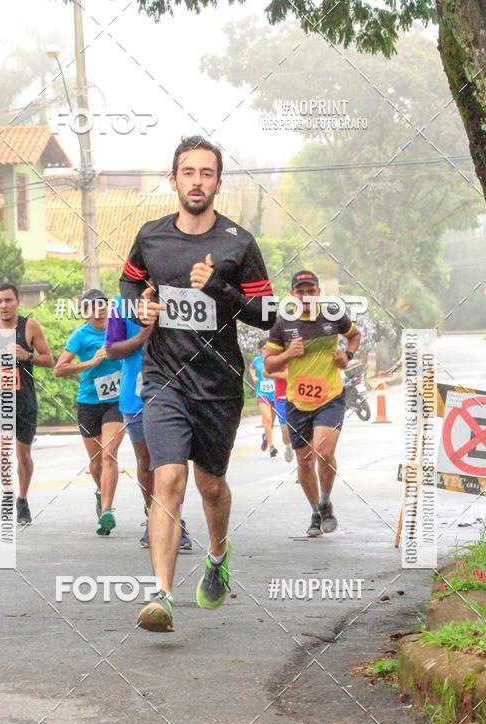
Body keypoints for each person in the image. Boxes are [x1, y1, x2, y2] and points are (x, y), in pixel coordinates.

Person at [120, 134, 275, 632]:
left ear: (218, 183)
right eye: (188, 172)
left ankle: (217, 554)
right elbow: (128, 280)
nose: (197, 181)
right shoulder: (151, 237)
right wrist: (138, 303)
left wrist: (219, 288)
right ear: (173, 180)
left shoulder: (238, 243)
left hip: (219, 386)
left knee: (210, 485)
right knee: (167, 478)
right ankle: (161, 595)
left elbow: (268, 314)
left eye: (206, 173)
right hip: (165, 378)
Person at [264, 271, 361, 536]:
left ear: (318, 292)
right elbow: (268, 364)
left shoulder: (332, 315)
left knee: (323, 452)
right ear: (293, 294)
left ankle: (326, 499)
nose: (306, 296)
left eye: (311, 291)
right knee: (304, 462)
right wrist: (288, 353)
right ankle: (317, 511)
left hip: (330, 396)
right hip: (297, 401)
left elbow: (355, 335)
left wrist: (347, 355)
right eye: (300, 291)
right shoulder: (284, 322)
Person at [104, 299, 193, 550]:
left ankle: (174, 518)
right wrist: (142, 336)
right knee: (146, 460)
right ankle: (152, 515)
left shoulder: (178, 299)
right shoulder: (120, 306)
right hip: (135, 396)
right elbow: (111, 350)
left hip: (177, 392)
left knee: (174, 460)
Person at [0, 283, 53, 525]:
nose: (4, 305)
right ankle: (8, 491)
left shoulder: (29, 326)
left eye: (8, 300)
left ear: (17, 301)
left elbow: (49, 359)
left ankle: (22, 498)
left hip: (24, 400)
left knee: (23, 454)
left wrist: (27, 355)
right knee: (1, 450)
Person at [54, 288, 125, 535]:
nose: (100, 310)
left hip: (117, 401)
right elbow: (59, 369)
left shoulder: (118, 328)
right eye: (94, 306)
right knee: (96, 464)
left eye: (103, 304)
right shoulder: (80, 336)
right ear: (85, 312)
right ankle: (100, 491)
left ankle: (107, 510)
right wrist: (91, 363)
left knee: (109, 455)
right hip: (89, 402)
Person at [249, 339, 278, 457]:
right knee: (268, 418)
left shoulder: (275, 360)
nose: (266, 350)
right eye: (264, 348)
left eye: (268, 348)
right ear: (261, 349)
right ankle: (272, 447)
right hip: (262, 393)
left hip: (274, 393)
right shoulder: (257, 361)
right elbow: (251, 368)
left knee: (271, 422)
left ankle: (266, 436)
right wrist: (254, 377)